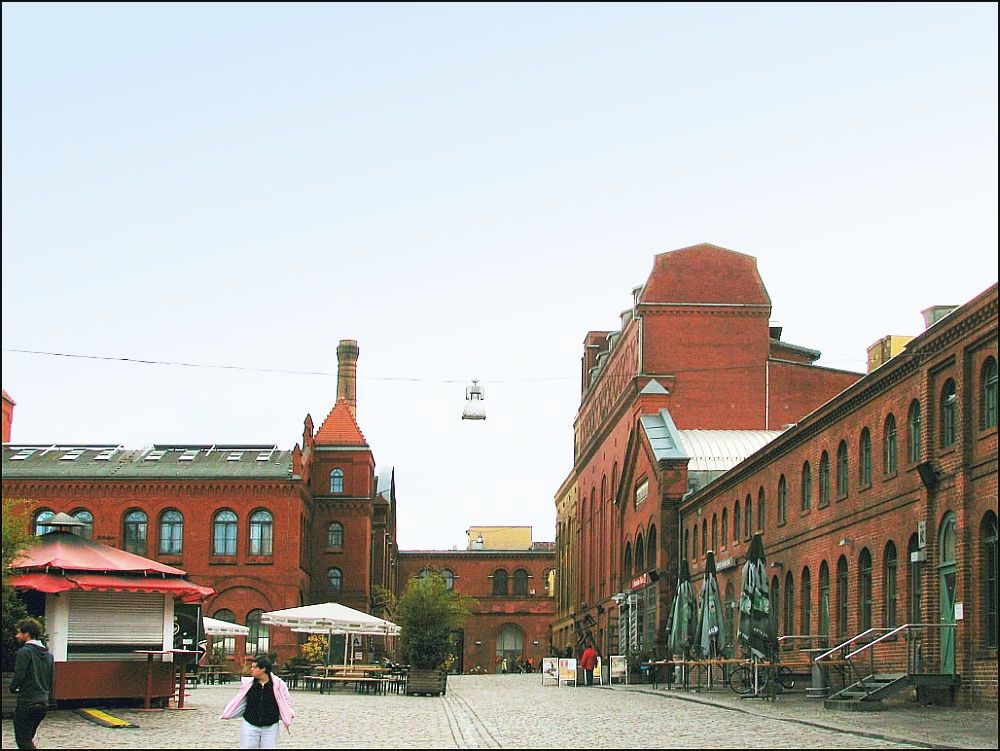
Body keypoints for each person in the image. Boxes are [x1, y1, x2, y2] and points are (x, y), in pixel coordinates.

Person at [221, 655, 294, 749]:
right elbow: (239, 700)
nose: (251, 669)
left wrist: (288, 715)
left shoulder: (279, 685)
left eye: (254, 667)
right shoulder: (248, 684)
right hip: (250, 723)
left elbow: (286, 702)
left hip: (270, 725)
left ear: (263, 669)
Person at [9, 618, 54, 751]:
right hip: (43, 703)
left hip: (27, 702)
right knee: (27, 739)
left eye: (19, 632)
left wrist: (13, 687)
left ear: (27, 633)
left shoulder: (24, 652)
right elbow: (51, 679)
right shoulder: (48, 655)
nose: (17, 636)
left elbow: (19, 675)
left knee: (23, 741)